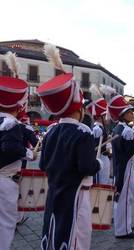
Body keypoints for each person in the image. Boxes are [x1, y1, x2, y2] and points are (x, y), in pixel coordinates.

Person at [38, 44, 101, 249]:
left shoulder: (51, 132)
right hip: (76, 195)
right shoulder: (82, 133)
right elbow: (86, 167)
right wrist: (97, 162)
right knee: (77, 236)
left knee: (54, 234)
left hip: (54, 193)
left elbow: (42, 165)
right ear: (79, 109)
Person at [0, 51, 36, 250]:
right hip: (4, 181)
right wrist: (29, 153)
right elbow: (11, 147)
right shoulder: (10, 123)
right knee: (5, 227)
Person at [105, 89, 134, 238]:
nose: (132, 114)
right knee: (125, 197)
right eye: (129, 112)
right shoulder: (124, 129)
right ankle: (123, 230)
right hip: (125, 166)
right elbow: (129, 150)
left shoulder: (120, 128)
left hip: (123, 165)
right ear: (122, 114)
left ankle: (125, 225)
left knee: (124, 197)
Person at [87, 85, 112, 184]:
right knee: (101, 183)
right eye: (106, 115)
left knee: (104, 181)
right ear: (100, 116)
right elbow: (95, 148)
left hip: (104, 158)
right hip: (100, 159)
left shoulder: (101, 128)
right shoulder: (98, 129)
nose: (108, 118)